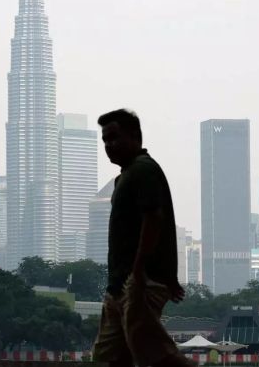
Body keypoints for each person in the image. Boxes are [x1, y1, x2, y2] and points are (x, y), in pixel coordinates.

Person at [92, 109, 194, 367]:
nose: (109, 146)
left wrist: (139, 272)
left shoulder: (143, 169)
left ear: (135, 136)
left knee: (154, 353)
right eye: (105, 140)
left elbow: (154, 219)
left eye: (115, 137)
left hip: (137, 282)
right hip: (120, 285)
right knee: (109, 357)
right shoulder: (124, 177)